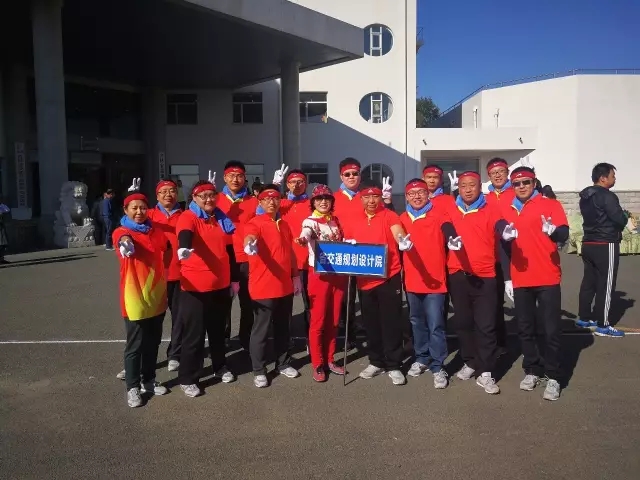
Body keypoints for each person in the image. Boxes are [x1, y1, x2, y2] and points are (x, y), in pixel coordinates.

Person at [499, 167, 569, 401]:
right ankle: (532, 369)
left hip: (547, 276)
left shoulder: (550, 204)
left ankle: (553, 375)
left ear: (534, 182)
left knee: (550, 329)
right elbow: (504, 245)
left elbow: (564, 233)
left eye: (526, 182)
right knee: (525, 328)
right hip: (520, 277)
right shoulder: (508, 208)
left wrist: (554, 232)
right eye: (516, 183)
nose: (521, 186)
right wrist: (507, 277)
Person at [446, 171, 517, 395]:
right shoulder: (452, 208)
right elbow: (445, 225)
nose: (468, 189)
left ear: (480, 187)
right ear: (458, 188)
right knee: (463, 323)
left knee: (485, 325)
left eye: (472, 185)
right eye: (464, 186)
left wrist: (506, 230)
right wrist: (450, 237)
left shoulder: (490, 208)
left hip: (485, 276)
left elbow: (500, 223)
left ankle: (486, 371)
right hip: (458, 274)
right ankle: (471, 361)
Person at [342, 179, 413, 386]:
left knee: (391, 322)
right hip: (365, 279)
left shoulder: (389, 215)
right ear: (361, 198)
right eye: (367, 197)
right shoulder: (354, 218)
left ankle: (393, 364)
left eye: (375, 196)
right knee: (371, 322)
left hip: (388, 276)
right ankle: (376, 361)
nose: (371, 200)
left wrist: (403, 241)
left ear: (381, 197)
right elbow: (348, 242)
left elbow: (398, 232)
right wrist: (347, 244)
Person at [175, 180, 238, 398]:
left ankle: (220, 366)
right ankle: (188, 378)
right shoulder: (188, 216)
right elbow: (185, 233)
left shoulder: (220, 218)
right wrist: (184, 247)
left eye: (212, 195)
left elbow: (229, 248)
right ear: (194, 198)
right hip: (196, 286)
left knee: (218, 331)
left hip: (220, 284)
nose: (209, 199)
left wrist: (234, 278)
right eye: (204, 196)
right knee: (194, 335)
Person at [400, 179, 460, 389]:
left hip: (435, 281)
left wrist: (452, 238)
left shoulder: (438, 214)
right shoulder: (403, 218)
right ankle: (422, 357)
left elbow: (448, 227)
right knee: (417, 322)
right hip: (412, 280)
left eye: (421, 192)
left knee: (436, 325)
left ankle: (438, 365)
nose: (417, 196)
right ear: (406, 197)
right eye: (412, 193)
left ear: (428, 194)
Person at [112, 192, 169, 408]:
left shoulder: (155, 231)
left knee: (153, 341)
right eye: (134, 208)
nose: (139, 212)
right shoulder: (122, 231)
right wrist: (126, 244)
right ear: (125, 210)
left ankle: (149, 380)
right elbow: (122, 240)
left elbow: (167, 246)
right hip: (134, 295)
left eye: (143, 207)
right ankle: (133, 387)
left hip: (155, 293)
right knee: (135, 344)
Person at [243, 184, 303, 388]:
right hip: (263, 287)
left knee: (283, 328)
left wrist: (295, 276)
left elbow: (290, 252)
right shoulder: (255, 222)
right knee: (261, 330)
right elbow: (250, 236)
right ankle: (259, 370)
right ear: (260, 202)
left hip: (284, 285)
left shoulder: (284, 224)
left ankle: (283, 363)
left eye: (275, 198)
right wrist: (249, 244)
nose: (271, 202)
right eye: (267, 199)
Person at [333, 158, 394, 348]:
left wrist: (387, 201)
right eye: (347, 174)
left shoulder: (367, 196)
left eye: (355, 173)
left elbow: (386, 216)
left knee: (366, 297)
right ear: (341, 176)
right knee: (346, 299)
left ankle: (371, 335)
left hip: (368, 254)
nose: (352, 177)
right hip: (344, 253)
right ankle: (348, 335)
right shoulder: (333, 198)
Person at [295, 185, 348, 382]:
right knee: (318, 320)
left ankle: (330, 358)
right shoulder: (310, 221)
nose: (323, 202)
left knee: (334, 319)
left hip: (337, 274)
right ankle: (317, 362)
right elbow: (306, 233)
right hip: (319, 275)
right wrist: (302, 239)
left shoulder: (335, 220)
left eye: (327, 198)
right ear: (313, 202)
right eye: (319, 199)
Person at [576, 163, 628, 338]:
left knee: (589, 281)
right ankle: (603, 325)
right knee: (606, 284)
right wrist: (625, 216)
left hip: (589, 241)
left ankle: (584, 318)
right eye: (612, 176)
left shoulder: (585, 196)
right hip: (605, 242)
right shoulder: (607, 196)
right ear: (603, 178)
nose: (614, 179)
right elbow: (618, 219)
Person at [215, 161, 259, 350]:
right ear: (224, 177)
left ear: (245, 178)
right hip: (222, 256)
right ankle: (223, 337)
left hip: (246, 258)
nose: (235, 179)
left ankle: (246, 337)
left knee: (247, 302)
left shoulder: (254, 202)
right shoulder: (214, 199)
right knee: (223, 301)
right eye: (231, 176)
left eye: (239, 176)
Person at [147, 179, 183, 372]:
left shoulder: (185, 215)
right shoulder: (148, 215)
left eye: (172, 191)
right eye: (164, 191)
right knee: (152, 320)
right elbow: (126, 225)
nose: (168, 194)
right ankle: (147, 357)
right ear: (157, 195)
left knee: (179, 318)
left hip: (180, 274)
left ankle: (175, 354)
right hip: (155, 275)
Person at [483, 157, 515, 356]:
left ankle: (531, 342)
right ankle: (499, 343)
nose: (497, 175)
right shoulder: (485, 198)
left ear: (507, 172)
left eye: (501, 171)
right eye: (493, 173)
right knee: (494, 303)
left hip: (515, 254)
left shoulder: (517, 192)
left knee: (523, 301)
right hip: (492, 257)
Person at [278, 169, 312, 349]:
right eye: (293, 182)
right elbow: (259, 212)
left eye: (300, 181)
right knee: (284, 306)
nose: (297, 185)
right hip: (285, 263)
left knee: (310, 305)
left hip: (307, 262)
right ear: (287, 184)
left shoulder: (313, 204)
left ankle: (311, 339)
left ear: (306, 183)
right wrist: (274, 186)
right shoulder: (280, 204)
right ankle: (285, 341)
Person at [0, 196, 9, 264]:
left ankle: (1, 258)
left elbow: (7, 209)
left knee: (3, 243)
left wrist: (1, 204)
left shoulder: (1, 206)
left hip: (1, 227)